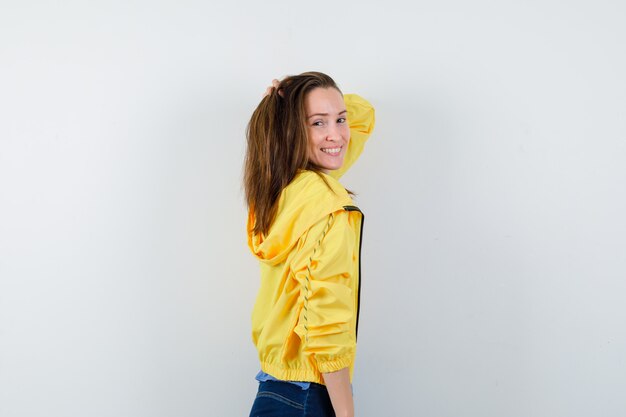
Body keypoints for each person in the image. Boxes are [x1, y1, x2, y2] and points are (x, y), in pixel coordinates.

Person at [244, 71, 375, 417]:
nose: (338, 135)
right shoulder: (329, 204)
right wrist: (346, 413)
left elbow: (363, 116)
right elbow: (325, 319)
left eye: (340, 119)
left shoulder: (281, 193)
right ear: (291, 132)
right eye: (318, 123)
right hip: (310, 396)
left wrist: (282, 105)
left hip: (273, 387)